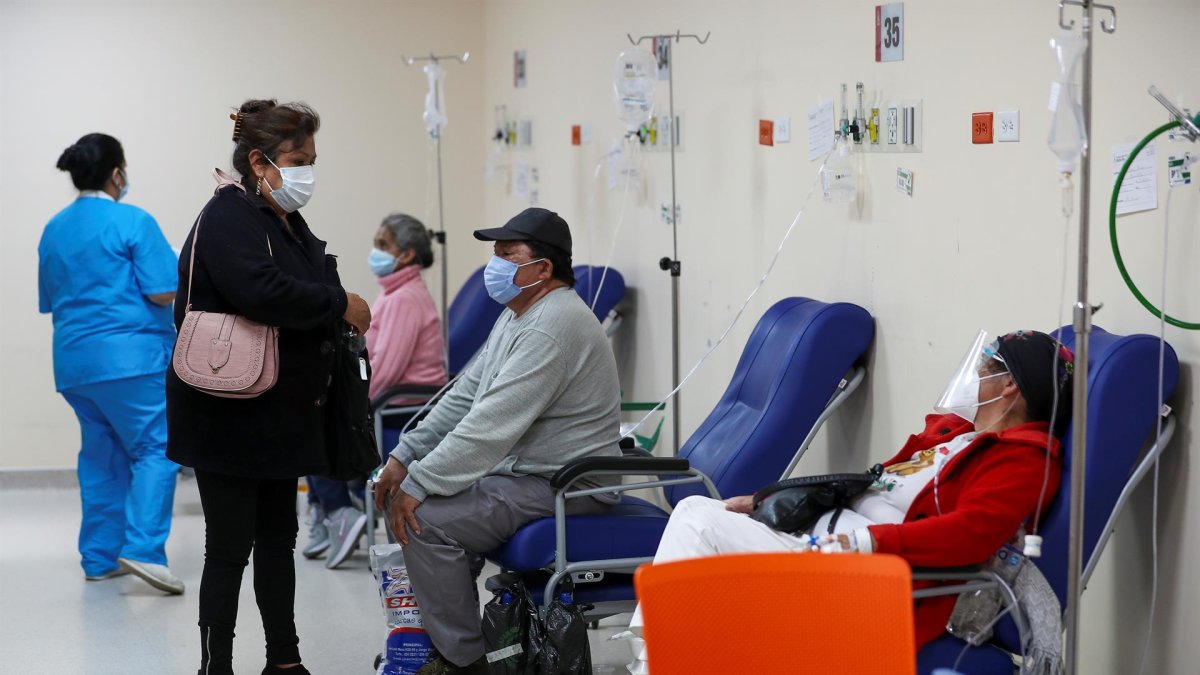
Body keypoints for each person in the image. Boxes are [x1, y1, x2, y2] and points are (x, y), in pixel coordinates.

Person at [631, 329, 1075, 652]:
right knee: (701, 518)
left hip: (876, 576)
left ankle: (652, 659)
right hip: (830, 543)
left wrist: (868, 540)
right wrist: (776, 502)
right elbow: (870, 484)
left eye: (984, 372)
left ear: (1009, 385)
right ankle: (660, 657)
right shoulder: (957, 435)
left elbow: (972, 532)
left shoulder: (1023, 457)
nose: (974, 380)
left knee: (697, 524)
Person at [166, 99, 372, 675]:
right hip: (227, 415)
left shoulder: (283, 220)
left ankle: (284, 659)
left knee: (279, 543)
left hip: (279, 414)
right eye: (298, 159)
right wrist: (341, 303)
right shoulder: (229, 216)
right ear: (259, 161)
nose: (307, 172)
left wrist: (334, 303)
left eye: (311, 160)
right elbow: (263, 291)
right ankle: (218, 666)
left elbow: (305, 280)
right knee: (229, 548)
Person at [373, 208, 622, 675]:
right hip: (525, 474)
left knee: (423, 518)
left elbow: (491, 424)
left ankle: (464, 663)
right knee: (415, 502)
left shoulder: (554, 324)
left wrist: (420, 483)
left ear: (543, 269)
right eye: (496, 253)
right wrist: (404, 456)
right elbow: (465, 393)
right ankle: (452, 643)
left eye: (508, 255)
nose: (497, 264)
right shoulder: (520, 313)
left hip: (565, 486)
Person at [38, 133, 183, 594]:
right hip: (132, 362)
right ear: (116, 173)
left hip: (75, 366)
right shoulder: (132, 221)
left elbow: (50, 299)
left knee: (101, 457)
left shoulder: (54, 228)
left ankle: (99, 557)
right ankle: (144, 551)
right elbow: (162, 289)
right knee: (155, 450)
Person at [304, 213, 446, 569]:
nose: (376, 252)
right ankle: (333, 508)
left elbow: (388, 369)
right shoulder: (395, 293)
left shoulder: (405, 299)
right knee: (313, 406)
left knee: (318, 421)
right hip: (390, 397)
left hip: (402, 405)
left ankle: (338, 512)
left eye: (384, 246)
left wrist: (349, 401)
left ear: (408, 255)